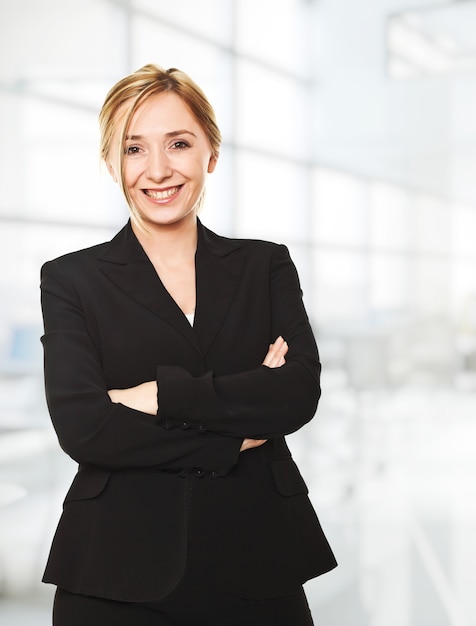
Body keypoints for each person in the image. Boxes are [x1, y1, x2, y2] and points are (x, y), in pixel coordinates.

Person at [39, 64, 337, 626]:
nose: (157, 170)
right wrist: (232, 438)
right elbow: (85, 427)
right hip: (116, 571)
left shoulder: (263, 265)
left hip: (259, 558)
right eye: (133, 148)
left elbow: (295, 395)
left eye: (179, 143)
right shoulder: (71, 279)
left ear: (211, 154)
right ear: (110, 163)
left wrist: (158, 395)